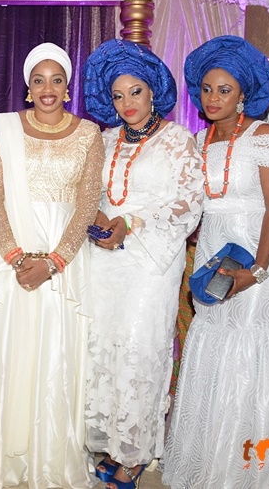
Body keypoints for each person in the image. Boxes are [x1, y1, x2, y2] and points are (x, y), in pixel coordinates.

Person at [0, 43, 105, 489]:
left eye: (56, 80)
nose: (47, 88)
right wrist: (16, 257)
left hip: (65, 257)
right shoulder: (3, 128)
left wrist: (54, 261)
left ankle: (49, 454)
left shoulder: (89, 133)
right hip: (8, 257)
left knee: (56, 349)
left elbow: (87, 202)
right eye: (39, 80)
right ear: (27, 86)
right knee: (5, 348)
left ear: (68, 87)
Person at [161, 35, 269, 489]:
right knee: (209, 340)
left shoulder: (266, 138)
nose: (212, 98)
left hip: (259, 254)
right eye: (206, 89)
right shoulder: (198, 140)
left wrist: (256, 271)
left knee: (245, 345)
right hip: (213, 252)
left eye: (224, 90)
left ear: (244, 94)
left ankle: (240, 472)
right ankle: (202, 465)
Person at [81, 39, 203, 489]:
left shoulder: (177, 139)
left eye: (135, 91)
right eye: (118, 95)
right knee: (102, 347)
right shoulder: (104, 140)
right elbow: (89, 193)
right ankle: (105, 442)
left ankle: (134, 453)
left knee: (140, 348)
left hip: (152, 261)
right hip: (105, 260)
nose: (127, 103)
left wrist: (130, 223)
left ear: (153, 91)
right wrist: (97, 217)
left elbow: (190, 202)